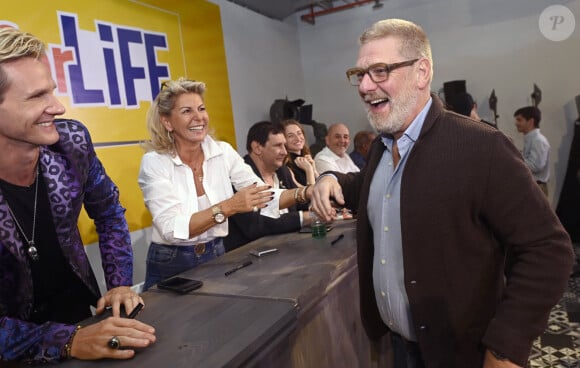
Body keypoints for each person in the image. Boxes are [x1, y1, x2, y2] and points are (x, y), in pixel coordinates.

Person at [310, 19, 573, 368]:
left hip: (464, 354)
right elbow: (368, 189)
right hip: (399, 346)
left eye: (380, 71)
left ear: (422, 72)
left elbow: (548, 250)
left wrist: (506, 346)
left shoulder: (482, 147)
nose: (364, 85)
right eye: (360, 73)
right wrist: (328, 177)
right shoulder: (380, 148)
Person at [0, 27, 156, 365]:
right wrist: (67, 340)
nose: (57, 107)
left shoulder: (72, 143)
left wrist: (119, 284)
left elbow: (110, 213)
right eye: (36, 97)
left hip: (82, 321)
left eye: (52, 92)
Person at [138, 79, 311, 290]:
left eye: (201, 109)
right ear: (167, 122)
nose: (198, 117)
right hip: (171, 261)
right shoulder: (155, 162)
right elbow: (173, 229)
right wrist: (230, 206)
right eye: (186, 111)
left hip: (216, 253)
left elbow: (264, 195)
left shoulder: (223, 152)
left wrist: (308, 192)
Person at [224, 122, 312, 251]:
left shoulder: (283, 171)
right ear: (257, 148)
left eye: (284, 145)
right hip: (251, 258)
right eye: (278, 146)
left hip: (290, 248)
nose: (284, 152)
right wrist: (303, 218)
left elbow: (301, 205)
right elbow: (255, 226)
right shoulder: (238, 178)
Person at [514, 106, 550, 196]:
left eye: (519, 120)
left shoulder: (539, 140)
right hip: (531, 186)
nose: (516, 123)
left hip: (537, 188)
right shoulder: (532, 139)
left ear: (530, 122)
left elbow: (535, 166)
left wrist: (513, 158)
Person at [281, 119, 319, 185]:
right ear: (283, 140)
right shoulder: (285, 166)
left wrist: (314, 170)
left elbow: (322, 188)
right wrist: (309, 170)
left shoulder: (307, 159)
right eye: (291, 136)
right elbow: (310, 193)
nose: (298, 138)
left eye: (299, 133)